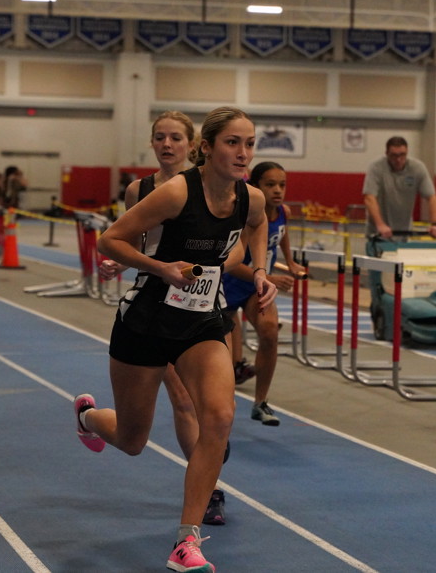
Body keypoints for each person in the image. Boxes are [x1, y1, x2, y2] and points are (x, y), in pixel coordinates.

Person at [77, 106, 276, 573]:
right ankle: (87, 418)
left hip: (201, 320)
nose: (243, 153)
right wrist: (160, 268)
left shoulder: (251, 198)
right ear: (207, 147)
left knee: (219, 417)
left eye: (249, 144)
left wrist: (261, 269)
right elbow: (110, 241)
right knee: (132, 439)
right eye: (232, 142)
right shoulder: (175, 193)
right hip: (146, 320)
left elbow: (259, 223)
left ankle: (186, 541)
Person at [98, 110, 230, 526]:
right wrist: (119, 264)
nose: (167, 144)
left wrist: (229, 268)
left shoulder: (214, 187)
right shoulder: (139, 190)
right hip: (153, 307)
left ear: (192, 145)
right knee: (134, 438)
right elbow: (136, 244)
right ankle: (88, 416)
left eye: (175, 137)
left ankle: (208, 492)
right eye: (160, 137)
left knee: (189, 402)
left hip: (199, 309)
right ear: (152, 142)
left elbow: (235, 240)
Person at [221, 161, 304, 427]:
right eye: (270, 185)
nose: (278, 190)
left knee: (269, 332)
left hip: (255, 286)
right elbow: (233, 265)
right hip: (228, 285)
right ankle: (219, 410)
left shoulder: (282, 212)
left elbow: (281, 234)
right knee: (224, 363)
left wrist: (290, 261)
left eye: (282, 185)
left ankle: (260, 402)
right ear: (256, 187)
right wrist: (269, 277)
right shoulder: (247, 217)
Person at [362, 136, 436, 240]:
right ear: (386, 154)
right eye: (394, 155)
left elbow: (432, 197)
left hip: (404, 232)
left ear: (407, 152)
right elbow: (369, 198)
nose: (398, 159)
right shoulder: (376, 167)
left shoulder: (417, 168)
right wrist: (380, 225)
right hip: (378, 233)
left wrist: (435, 224)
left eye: (402, 155)